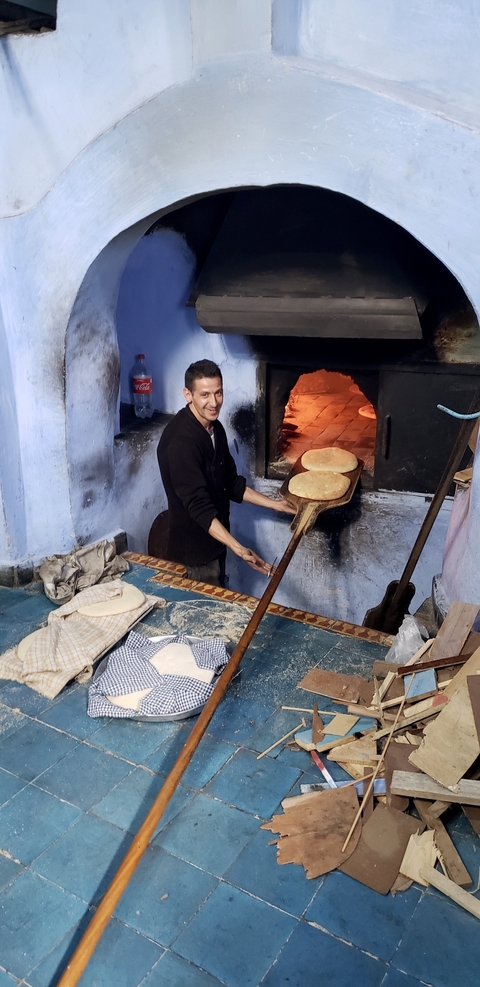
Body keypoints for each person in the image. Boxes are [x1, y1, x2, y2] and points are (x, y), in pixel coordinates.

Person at [157, 359, 295, 586]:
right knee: (206, 613)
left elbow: (231, 483)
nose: (214, 403)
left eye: (218, 393)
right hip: (194, 554)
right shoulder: (181, 442)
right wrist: (239, 548)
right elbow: (199, 507)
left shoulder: (215, 429)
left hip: (216, 543)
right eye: (205, 395)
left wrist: (277, 505)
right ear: (187, 394)